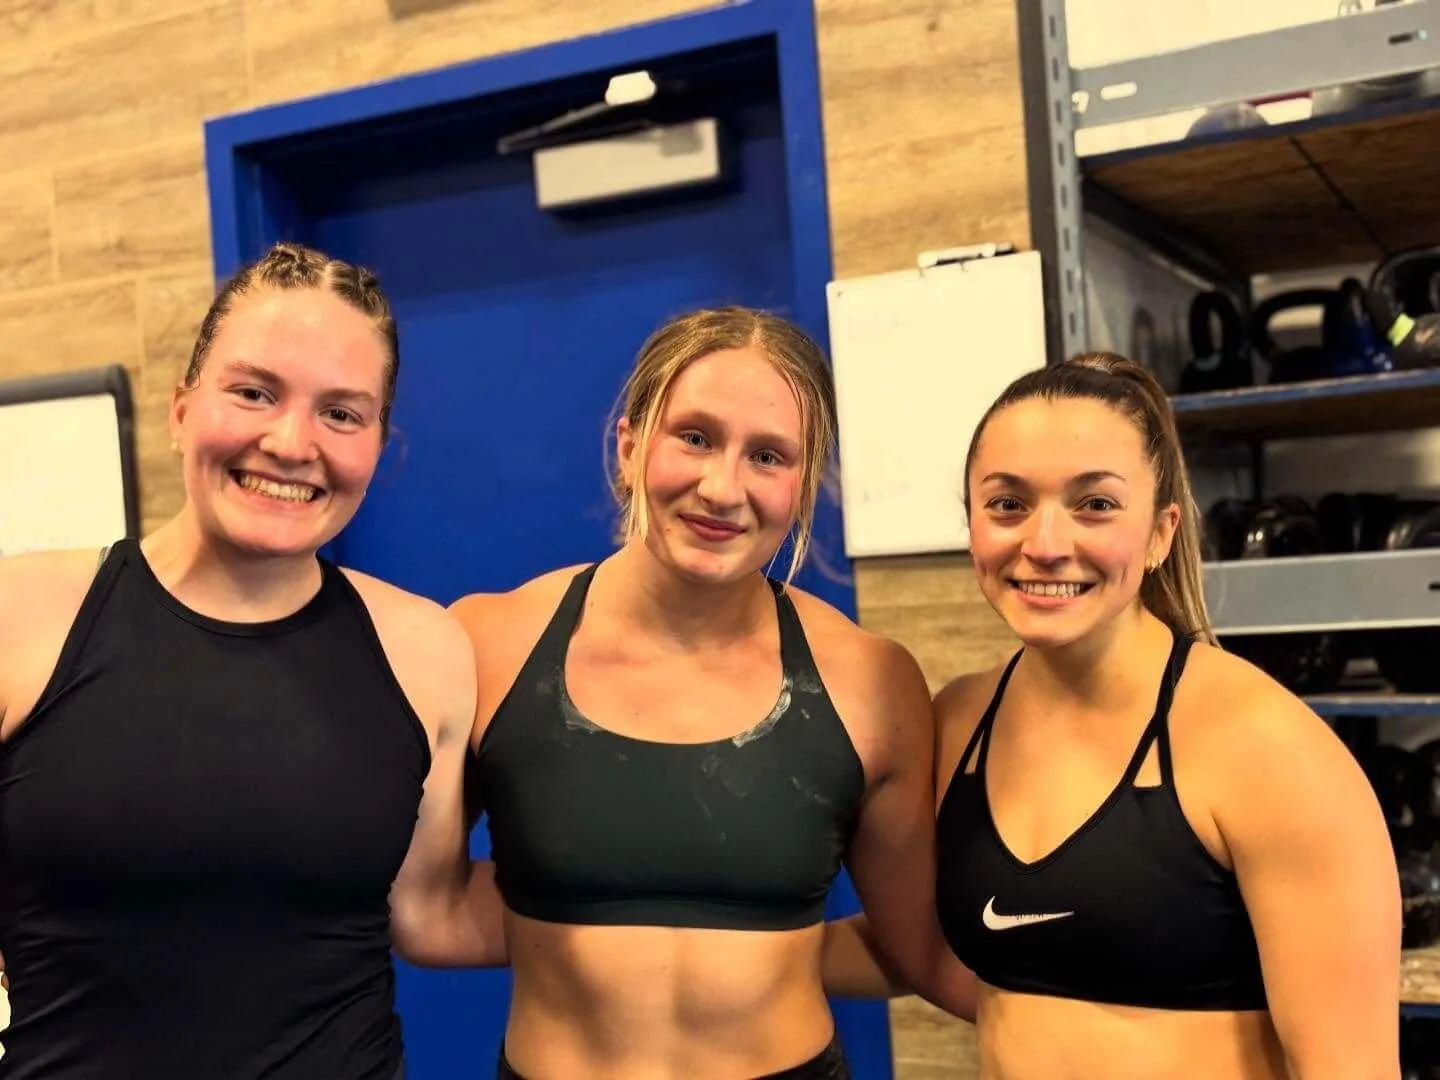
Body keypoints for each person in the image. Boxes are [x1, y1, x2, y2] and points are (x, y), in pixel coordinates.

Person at [0, 242, 499, 1080]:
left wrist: (706, 917)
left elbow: (432, 913)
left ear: (378, 444)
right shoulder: (24, 619)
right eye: (254, 392)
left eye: (342, 413)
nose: (291, 440)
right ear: (180, 407)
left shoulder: (424, 652)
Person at [827, 351, 1402, 1077]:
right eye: (1008, 504)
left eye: (1094, 504)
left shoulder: (1263, 748)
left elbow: (1351, 1067)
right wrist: (700, 955)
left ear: (1161, 532)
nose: (1045, 544)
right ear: (971, 523)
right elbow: (919, 944)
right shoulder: (961, 722)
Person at [449, 306, 976, 1080]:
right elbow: (415, 908)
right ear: (628, 448)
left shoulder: (870, 682)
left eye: (768, 456)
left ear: (802, 488)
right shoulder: (488, 644)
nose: (722, 487)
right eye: (693, 437)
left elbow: (917, 948)